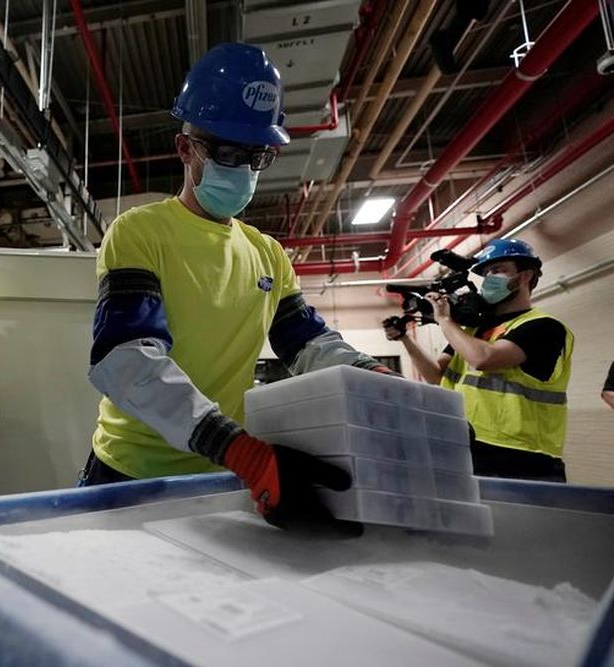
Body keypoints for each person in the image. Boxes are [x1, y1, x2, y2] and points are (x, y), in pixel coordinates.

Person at [80, 42, 394, 528]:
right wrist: (240, 450)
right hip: (130, 471)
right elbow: (124, 359)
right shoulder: (140, 232)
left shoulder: (267, 252)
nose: (244, 170)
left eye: (257, 156)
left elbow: (307, 344)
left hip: (219, 468)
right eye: (228, 152)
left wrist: (372, 375)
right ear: (186, 148)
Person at [385, 238, 574, 482]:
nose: (489, 279)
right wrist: (405, 340)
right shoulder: (472, 333)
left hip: (523, 456)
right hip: (471, 447)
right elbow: (436, 376)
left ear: (526, 276)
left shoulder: (543, 327)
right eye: (485, 273)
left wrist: (444, 320)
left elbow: (483, 358)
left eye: (498, 270)